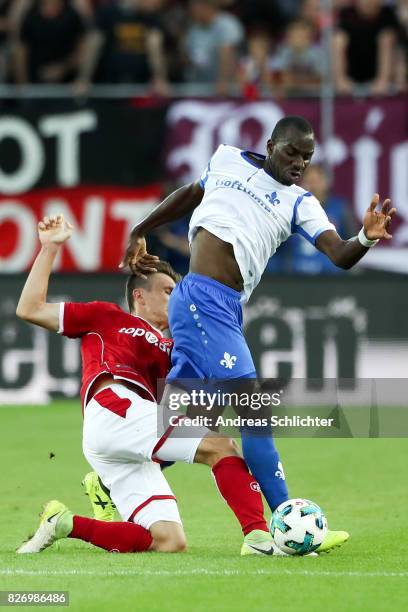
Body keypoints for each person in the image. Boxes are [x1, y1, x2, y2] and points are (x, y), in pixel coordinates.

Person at [121, 115, 396, 552]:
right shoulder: (227, 159)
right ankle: (290, 524)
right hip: (200, 299)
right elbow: (190, 195)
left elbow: (339, 254)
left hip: (225, 310)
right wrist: (142, 229)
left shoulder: (300, 203)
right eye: (292, 153)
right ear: (271, 145)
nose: (299, 164)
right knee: (254, 410)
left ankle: (107, 478)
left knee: (190, 426)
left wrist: (365, 236)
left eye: (307, 158)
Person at [16, 214, 285, 557]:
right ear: (140, 296)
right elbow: (29, 308)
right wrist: (49, 248)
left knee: (169, 541)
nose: (177, 299)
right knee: (221, 447)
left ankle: (63, 522)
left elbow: (195, 398)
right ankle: (259, 538)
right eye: (170, 291)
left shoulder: (177, 349)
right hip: (116, 406)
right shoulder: (107, 316)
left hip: (123, 439)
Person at [288, 163, 358, 274]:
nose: (313, 186)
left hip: (331, 278)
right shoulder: (291, 208)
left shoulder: (339, 208)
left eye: (316, 181)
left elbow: (353, 242)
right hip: (295, 276)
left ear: (326, 182)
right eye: (309, 181)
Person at [333, 0, 399, 95]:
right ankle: (341, 81)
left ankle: (383, 81)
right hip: (352, 73)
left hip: (378, 74)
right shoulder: (347, 13)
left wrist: (383, 81)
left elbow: (396, 44)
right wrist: (341, 80)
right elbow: (338, 40)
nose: (367, 2)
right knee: (338, 39)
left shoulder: (388, 14)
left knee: (387, 37)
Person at [15, 0, 86, 84]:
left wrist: (63, 68)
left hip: (67, 84)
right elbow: (21, 48)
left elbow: (82, 49)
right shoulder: (30, 12)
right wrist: (22, 80)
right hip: (33, 82)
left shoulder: (73, 13)